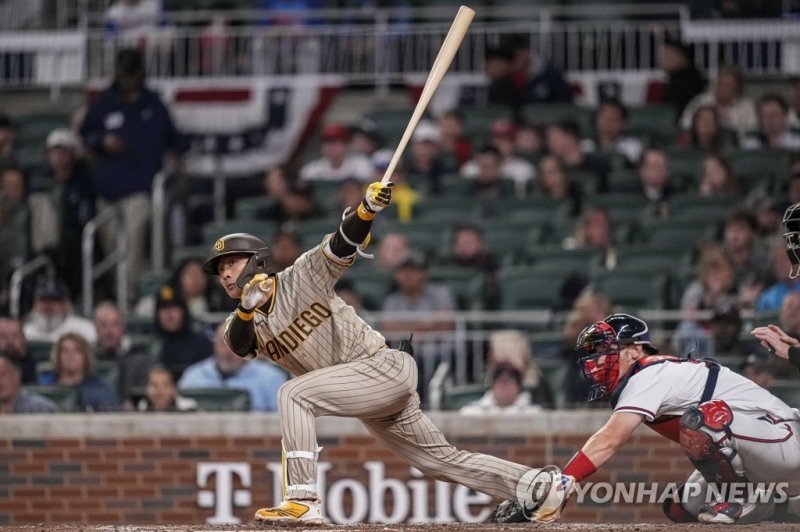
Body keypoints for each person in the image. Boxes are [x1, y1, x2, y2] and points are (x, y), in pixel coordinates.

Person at [201, 181, 571, 524]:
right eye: (220, 271)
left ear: (256, 259)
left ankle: (303, 499)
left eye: (231, 263)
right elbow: (239, 341)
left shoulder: (300, 276)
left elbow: (341, 245)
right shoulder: (241, 321)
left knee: (292, 393)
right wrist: (248, 309)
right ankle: (535, 487)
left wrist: (364, 211)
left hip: (382, 367)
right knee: (440, 461)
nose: (226, 275)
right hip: (365, 397)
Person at [493, 313, 800, 524]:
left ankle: (742, 499)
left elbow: (609, 440)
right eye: (596, 353)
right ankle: (789, 507)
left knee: (701, 422)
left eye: (607, 349)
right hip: (757, 448)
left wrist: (558, 487)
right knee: (681, 507)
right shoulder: (643, 378)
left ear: (635, 349)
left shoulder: (649, 372)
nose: (599, 359)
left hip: (784, 437)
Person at [79, 49, 188, 300]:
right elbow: (85, 134)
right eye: (123, 73)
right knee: (111, 250)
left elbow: (175, 139)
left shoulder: (153, 104)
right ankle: (123, 295)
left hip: (140, 190)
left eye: (131, 72)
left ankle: (127, 300)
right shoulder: (105, 102)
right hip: (107, 191)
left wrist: (177, 153)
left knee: (132, 242)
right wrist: (101, 140)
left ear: (140, 72)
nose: (127, 78)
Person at [27, 128, 96, 299]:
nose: (59, 157)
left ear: (72, 154)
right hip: (43, 240)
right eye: (55, 152)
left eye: (63, 151)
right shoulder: (40, 180)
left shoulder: (83, 178)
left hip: (74, 236)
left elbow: (84, 212)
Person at [178, 323, 287, 412]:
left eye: (236, 344)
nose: (229, 351)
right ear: (214, 345)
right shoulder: (192, 376)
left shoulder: (271, 378)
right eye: (223, 344)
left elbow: (282, 425)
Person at [41, 332, 121, 412]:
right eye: (65, 351)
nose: (71, 355)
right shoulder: (47, 390)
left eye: (77, 351)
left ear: (85, 356)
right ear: (58, 357)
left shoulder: (101, 389)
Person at [93, 301, 153, 405]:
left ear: (123, 328)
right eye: (103, 325)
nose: (109, 331)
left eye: (115, 324)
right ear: (96, 330)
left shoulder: (140, 360)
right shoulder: (89, 361)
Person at [153, 284, 213, 382]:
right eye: (163, 308)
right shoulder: (153, 345)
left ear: (184, 311)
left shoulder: (201, 344)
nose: (169, 313)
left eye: (174, 307)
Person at [679, 66, 758, 138]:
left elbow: (752, 129)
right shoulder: (701, 101)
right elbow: (685, 122)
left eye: (729, 85)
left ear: (737, 88)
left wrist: (729, 120)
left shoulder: (747, 106)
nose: (724, 88)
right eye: (721, 83)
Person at [23, 277, 97, 344]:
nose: (48, 306)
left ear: (66, 304)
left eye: (54, 300)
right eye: (43, 300)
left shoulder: (85, 331)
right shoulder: (24, 332)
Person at [459, 361, 544, 415]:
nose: (504, 386)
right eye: (500, 381)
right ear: (493, 385)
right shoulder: (472, 411)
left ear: (518, 387)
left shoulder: (533, 413)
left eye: (509, 382)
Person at [299, 123, 373, 182]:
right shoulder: (311, 170)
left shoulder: (361, 165)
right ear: (321, 146)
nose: (333, 147)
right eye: (328, 142)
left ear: (347, 144)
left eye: (338, 143)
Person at [581, 98, 644, 167]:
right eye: (604, 117)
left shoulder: (633, 147)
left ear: (623, 123)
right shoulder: (584, 146)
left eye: (613, 118)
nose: (608, 122)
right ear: (596, 120)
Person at [659, 39, 705, 118]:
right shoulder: (674, 79)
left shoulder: (687, 81)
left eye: (667, 55)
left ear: (681, 57)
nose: (663, 59)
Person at [0, 317, 36, 384]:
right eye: (3, 336)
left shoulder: (36, 365)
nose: (9, 341)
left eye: (15, 336)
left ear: (23, 338)